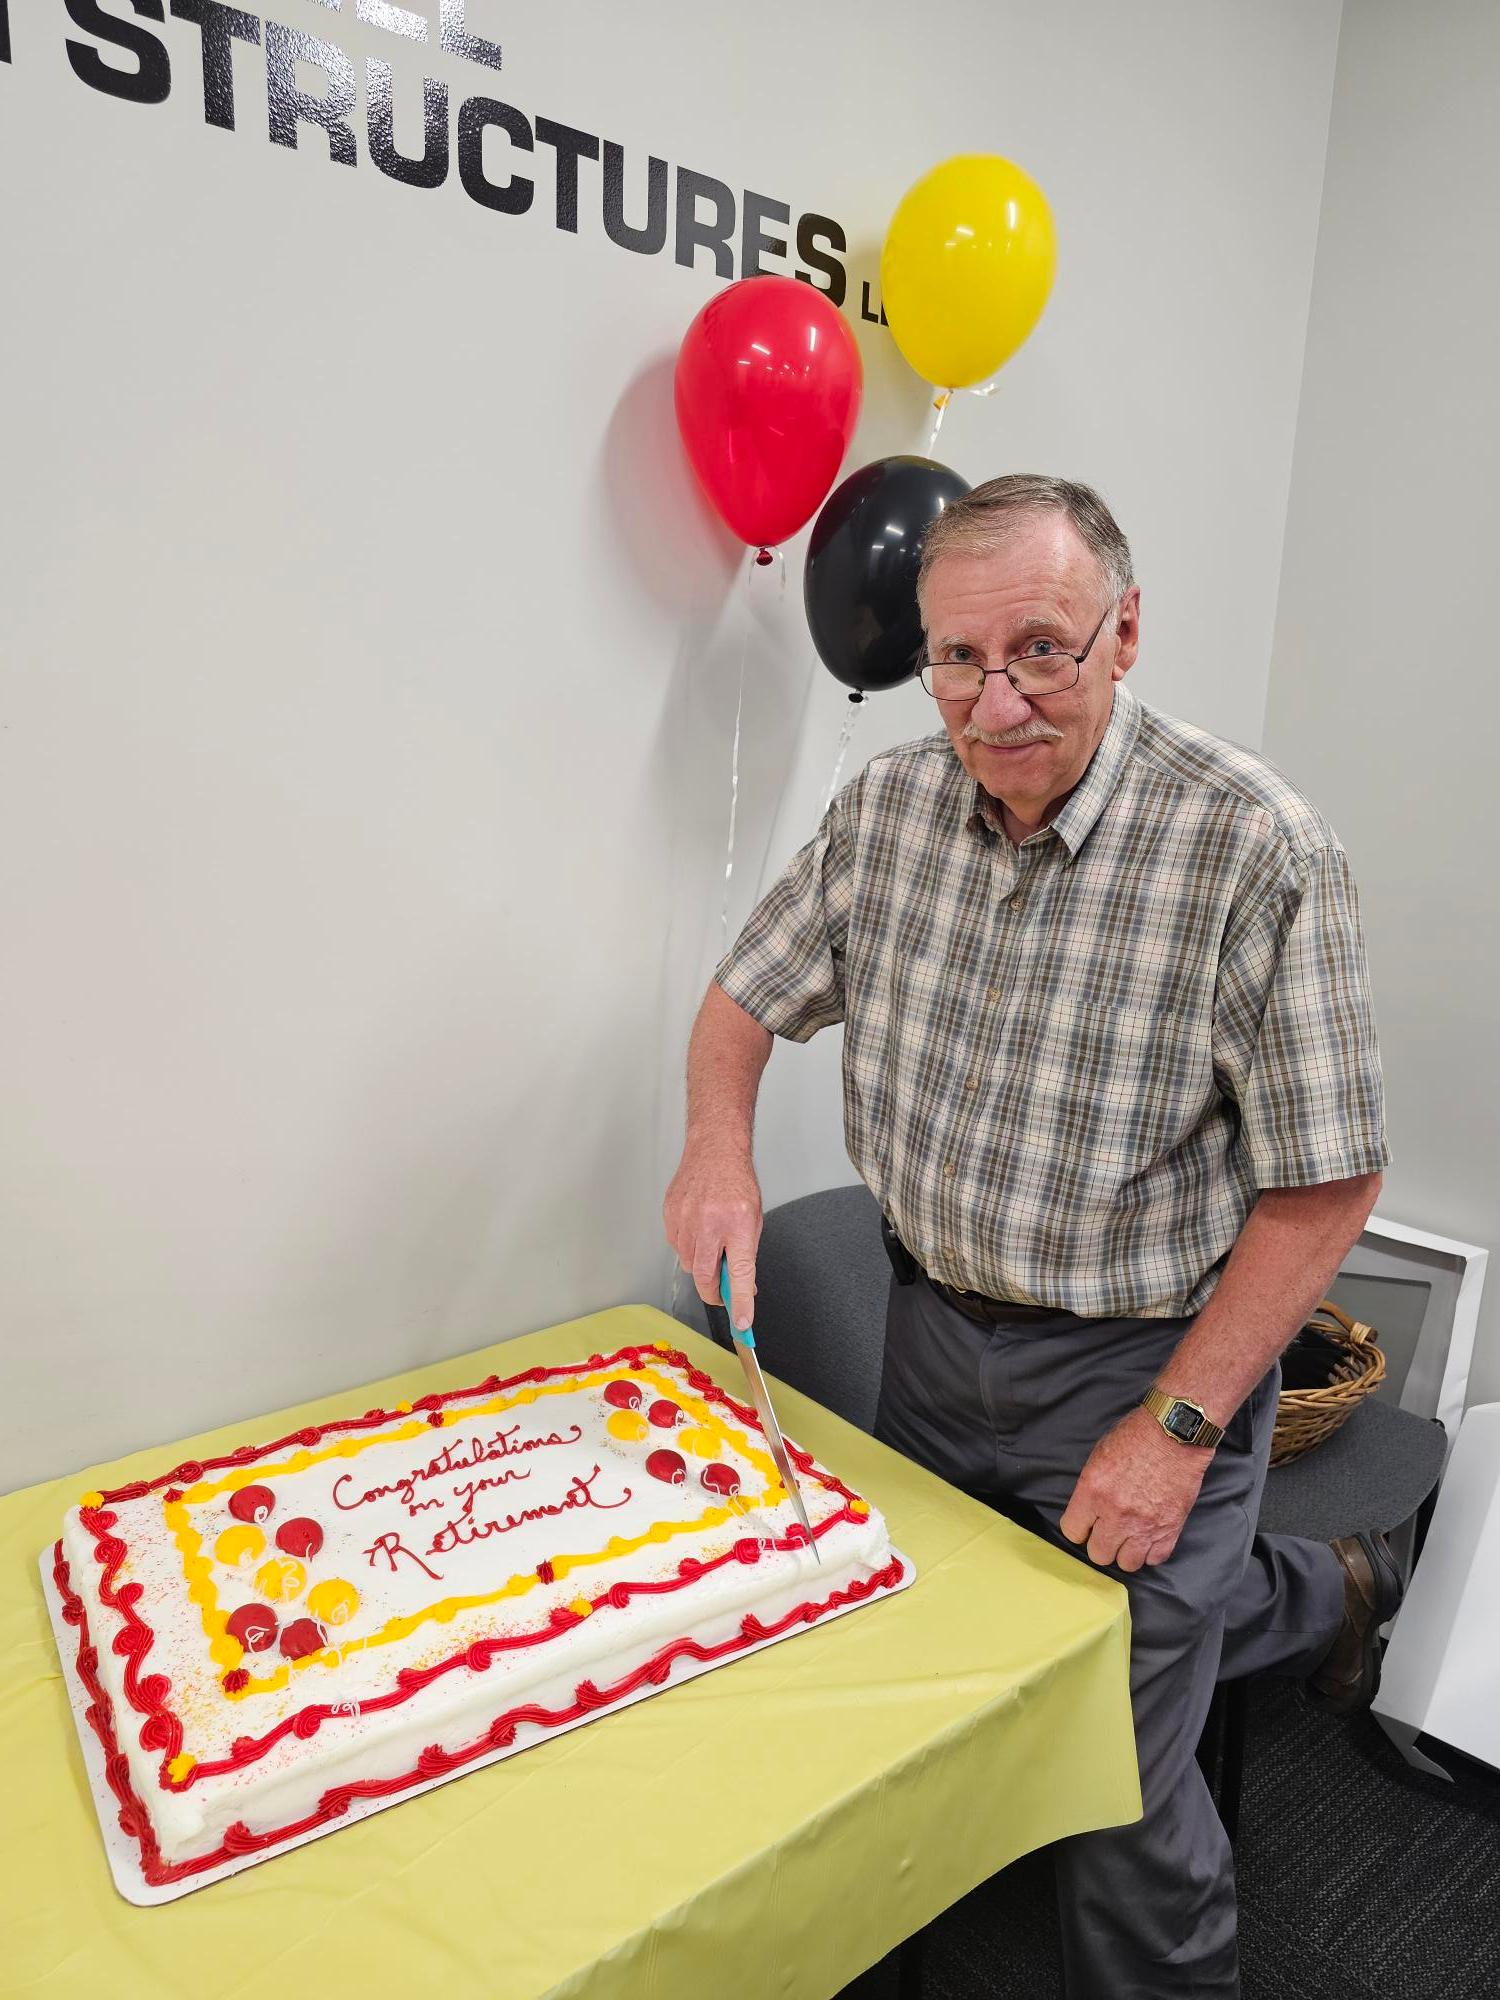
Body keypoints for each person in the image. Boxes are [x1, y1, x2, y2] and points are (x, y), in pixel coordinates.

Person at [662, 474, 1401, 1999]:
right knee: (940, 1676)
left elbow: (1324, 1188)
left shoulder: (1255, 847)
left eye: (1042, 650)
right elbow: (743, 1004)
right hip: (930, 1335)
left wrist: (1178, 1433)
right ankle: (1330, 1586)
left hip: (1144, 1366)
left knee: (1114, 1778)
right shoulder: (885, 809)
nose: (992, 704)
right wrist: (716, 1152)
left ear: (1125, 634)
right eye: (953, 658)